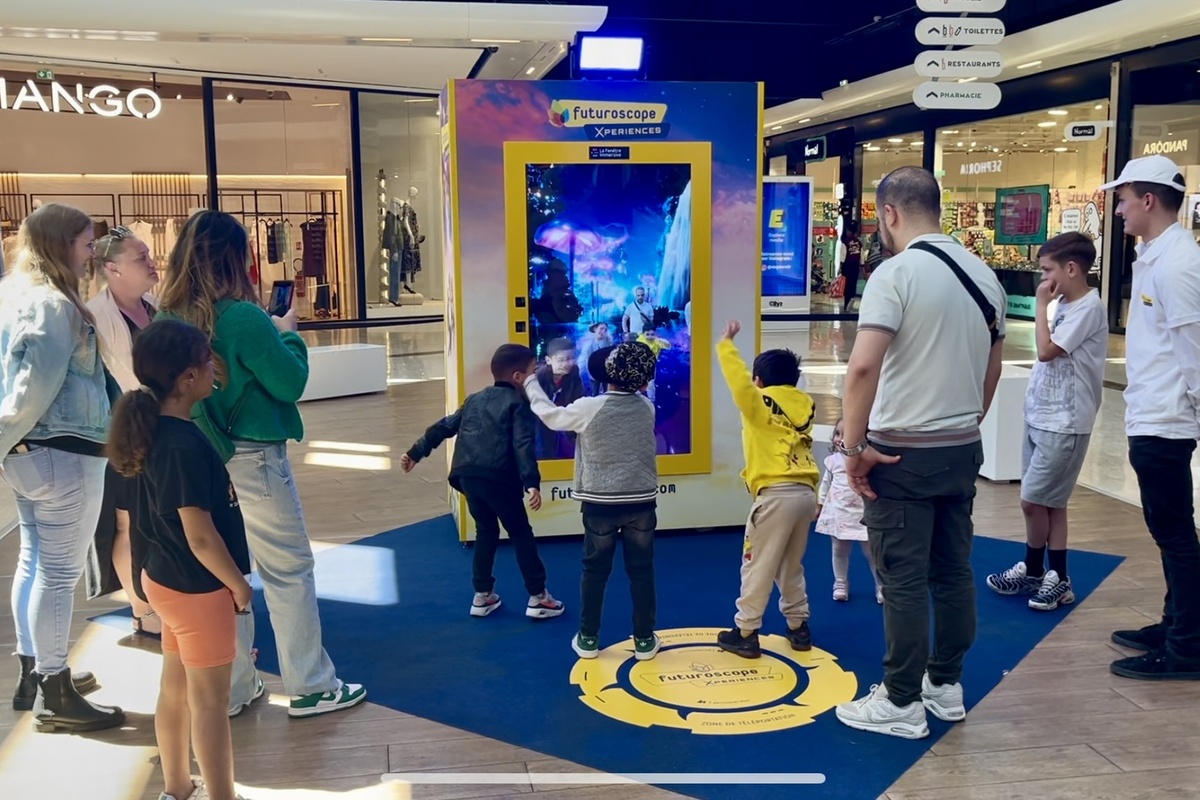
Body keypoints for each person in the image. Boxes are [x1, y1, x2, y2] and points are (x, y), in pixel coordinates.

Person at [157, 210, 366, 718]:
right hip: (252, 458)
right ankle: (311, 685)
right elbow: (290, 382)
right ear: (234, 258)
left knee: (226, 573)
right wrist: (288, 333)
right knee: (288, 570)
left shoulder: (166, 319)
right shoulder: (243, 318)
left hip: (197, 459)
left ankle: (234, 687)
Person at [834, 166, 1005, 739]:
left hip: (900, 455)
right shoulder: (984, 275)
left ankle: (901, 701)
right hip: (961, 448)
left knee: (903, 578)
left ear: (889, 213)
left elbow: (863, 367)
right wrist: (963, 425)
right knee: (952, 571)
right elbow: (992, 369)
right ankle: (945, 684)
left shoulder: (896, 274)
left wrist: (853, 446)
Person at [109, 319, 250, 800]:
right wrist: (238, 585)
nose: (214, 369)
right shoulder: (181, 445)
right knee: (210, 702)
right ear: (187, 378)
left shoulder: (154, 432)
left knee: (175, 689)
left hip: (166, 582)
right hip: (196, 588)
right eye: (207, 362)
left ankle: (177, 788)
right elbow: (201, 536)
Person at [0, 203, 122, 731]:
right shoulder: (54, 305)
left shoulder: (14, 294)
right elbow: (35, 388)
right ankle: (54, 688)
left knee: (34, 561)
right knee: (57, 573)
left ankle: (35, 675)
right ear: (61, 245)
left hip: (32, 456)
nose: (91, 252)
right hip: (62, 452)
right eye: (86, 243)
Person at [1100, 156, 1200, 681]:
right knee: (1170, 533)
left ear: (1148, 200)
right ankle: (1177, 624)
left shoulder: (1178, 264)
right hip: (1152, 415)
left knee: (1175, 534)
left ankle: (1187, 647)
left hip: (1166, 420)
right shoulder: (1157, 257)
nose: (1118, 210)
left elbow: (1193, 349)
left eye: (1122, 200)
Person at [986, 233, 1108, 612]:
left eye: (1047, 270)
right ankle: (1043, 571)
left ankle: (1052, 574)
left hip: (1065, 422)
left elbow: (1046, 351)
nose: (1043, 279)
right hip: (1041, 415)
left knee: (1033, 500)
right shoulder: (1069, 305)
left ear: (1071, 268)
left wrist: (1041, 306)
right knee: (1050, 503)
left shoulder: (1089, 308)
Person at [401, 343, 564, 620]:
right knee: (520, 533)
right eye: (532, 372)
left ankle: (482, 595)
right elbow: (523, 445)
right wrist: (531, 482)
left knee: (485, 531)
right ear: (518, 377)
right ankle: (538, 597)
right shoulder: (519, 405)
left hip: (466, 475)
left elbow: (445, 425)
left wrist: (416, 451)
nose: (535, 377)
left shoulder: (474, 399)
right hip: (498, 477)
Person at [525, 342, 661, 661]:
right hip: (641, 501)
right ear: (644, 380)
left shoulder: (588, 407)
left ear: (607, 374)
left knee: (595, 571)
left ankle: (588, 638)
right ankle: (644, 639)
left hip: (599, 503)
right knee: (641, 571)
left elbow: (551, 417)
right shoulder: (647, 407)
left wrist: (531, 382)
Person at [713, 321, 818, 658]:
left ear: (759, 380)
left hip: (775, 495)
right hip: (805, 494)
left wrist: (726, 344)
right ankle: (798, 626)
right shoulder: (805, 405)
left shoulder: (759, 403)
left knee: (757, 563)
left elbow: (739, 382)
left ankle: (745, 631)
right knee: (790, 564)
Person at [85, 225, 163, 638]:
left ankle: (158, 601)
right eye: (141, 258)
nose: (151, 262)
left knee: (154, 518)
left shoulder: (153, 306)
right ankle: (141, 609)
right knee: (126, 521)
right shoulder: (95, 316)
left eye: (148, 255)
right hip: (122, 433)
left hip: (158, 427)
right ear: (113, 269)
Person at [816, 418, 883, 604]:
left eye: (846, 435)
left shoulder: (868, 461)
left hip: (863, 515)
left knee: (872, 553)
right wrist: (820, 504)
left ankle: (881, 585)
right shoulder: (833, 461)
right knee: (839, 550)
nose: (839, 438)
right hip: (839, 513)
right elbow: (825, 484)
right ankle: (840, 582)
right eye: (837, 434)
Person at [534, 337, 585, 459]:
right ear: (548, 360)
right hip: (540, 419)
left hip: (563, 415)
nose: (566, 364)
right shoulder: (539, 378)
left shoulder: (574, 373)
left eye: (570, 358)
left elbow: (578, 398)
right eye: (560, 360)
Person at [841, 222, 863, 312]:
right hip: (855, 266)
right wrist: (862, 266)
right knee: (853, 284)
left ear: (849, 231)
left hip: (847, 266)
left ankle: (846, 304)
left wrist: (841, 267)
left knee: (847, 285)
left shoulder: (845, 242)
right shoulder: (859, 243)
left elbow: (843, 256)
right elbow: (861, 257)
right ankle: (851, 300)